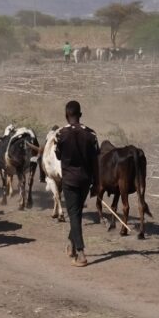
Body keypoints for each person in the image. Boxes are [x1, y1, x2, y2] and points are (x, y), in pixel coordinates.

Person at [55, 100, 99, 267]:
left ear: (66, 116)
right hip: (86, 180)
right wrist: (97, 183)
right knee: (77, 213)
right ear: (80, 115)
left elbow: (58, 156)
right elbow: (96, 162)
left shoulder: (61, 134)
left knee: (74, 215)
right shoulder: (92, 134)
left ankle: (80, 253)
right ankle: (72, 244)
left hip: (69, 180)